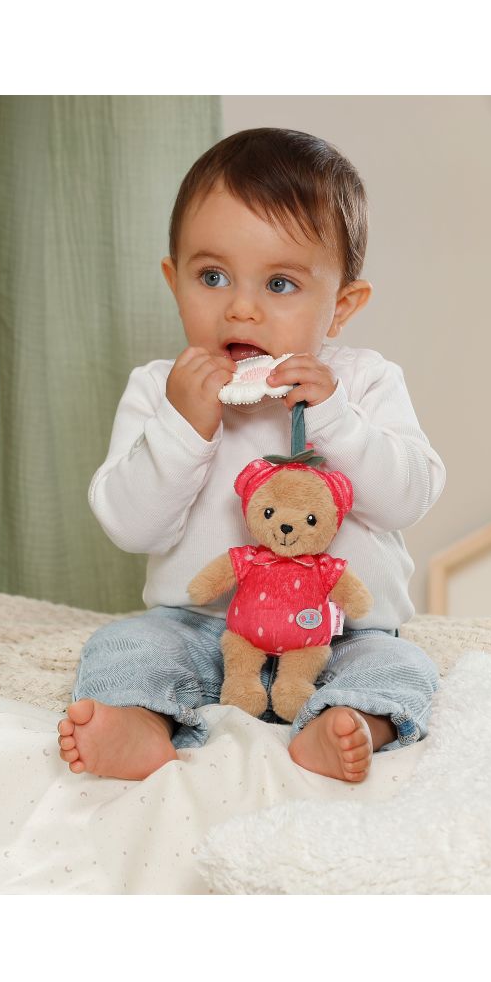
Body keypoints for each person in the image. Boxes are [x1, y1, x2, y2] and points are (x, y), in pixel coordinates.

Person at [57, 127, 444, 783]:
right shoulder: (161, 389)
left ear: (341, 306)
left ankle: (344, 720)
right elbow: (130, 526)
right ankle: (140, 722)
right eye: (212, 277)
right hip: (198, 627)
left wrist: (335, 419)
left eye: (281, 284)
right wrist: (184, 426)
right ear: (174, 281)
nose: (241, 308)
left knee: (402, 668)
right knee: (124, 646)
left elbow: (409, 496)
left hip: (339, 632)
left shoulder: (362, 383)